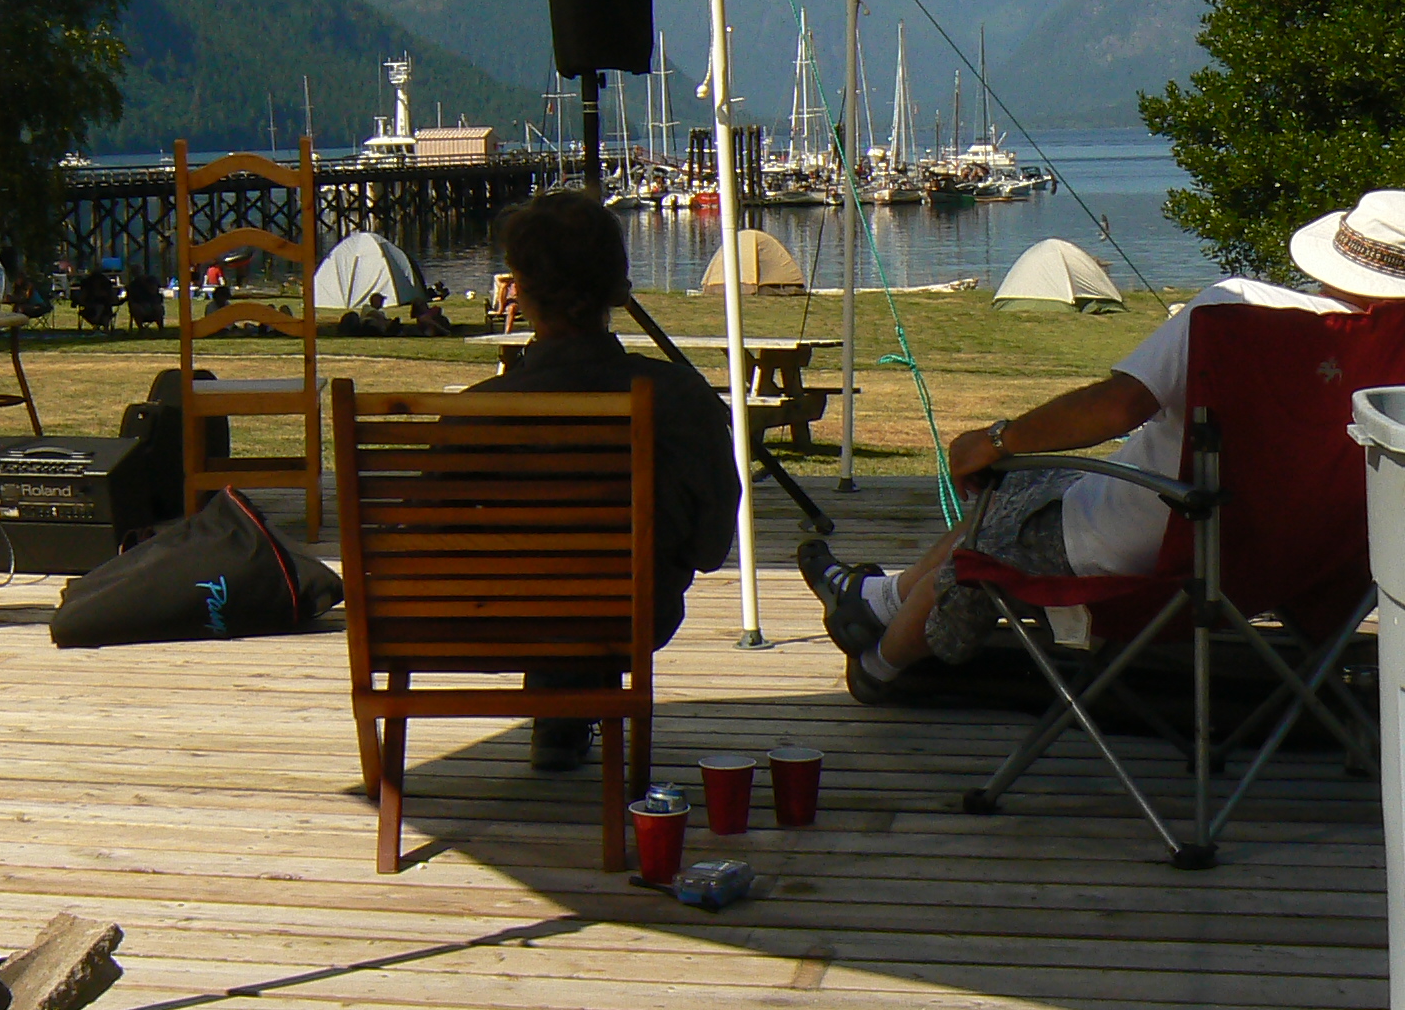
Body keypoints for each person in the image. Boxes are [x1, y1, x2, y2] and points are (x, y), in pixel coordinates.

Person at [802, 190, 1405, 702]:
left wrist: (995, 439)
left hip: (1156, 554)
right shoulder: (1394, 353)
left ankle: (879, 665)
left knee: (992, 527)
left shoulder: (1239, 314)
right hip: (1304, 562)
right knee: (1029, 493)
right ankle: (874, 598)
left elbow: (1117, 408)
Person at [468, 190, 737, 771]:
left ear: (520, 290)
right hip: (631, 613)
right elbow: (711, 546)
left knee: (546, 586)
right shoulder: (679, 397)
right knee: (594, 589)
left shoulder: (472, 413)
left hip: (493, 618)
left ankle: (558, 714)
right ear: (618, 288)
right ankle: (570, 710)